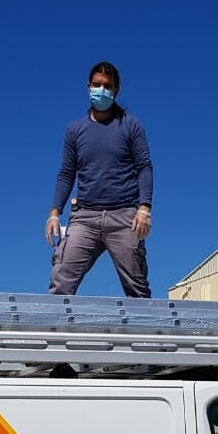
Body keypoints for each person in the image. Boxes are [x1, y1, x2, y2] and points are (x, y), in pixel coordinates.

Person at [46, 61, 154, 298]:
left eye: (107, 86)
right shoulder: (75, 130)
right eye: (96, 85)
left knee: (137, 288)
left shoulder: (131, 125)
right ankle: (55, 324)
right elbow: (67, 173)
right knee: (61, 279)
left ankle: (144, 324)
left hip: (125, 217)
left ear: (116, 90)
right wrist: (55, 213)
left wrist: (144, 209)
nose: (101, 90)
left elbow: (144, 167)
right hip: (84, 217)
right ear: (88, 87)